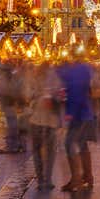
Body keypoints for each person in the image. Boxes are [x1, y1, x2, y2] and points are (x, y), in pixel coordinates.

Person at [59, 53, 95, 192]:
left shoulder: (74, 73)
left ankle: (76, 179)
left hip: (78, 116)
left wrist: (70, 113)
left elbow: (76, 94)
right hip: (85, 114)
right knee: (82, 144)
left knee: (69, 144)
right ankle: (88, 176)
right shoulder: (82, 70)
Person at [29, 62, 62, 191]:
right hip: (50, 122)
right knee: (50, 152)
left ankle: (40, 180)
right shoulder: (55, 79)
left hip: (36, 120)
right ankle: (48, 180)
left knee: (37, 151)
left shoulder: (34, 79)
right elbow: (61, 97)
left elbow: (27, 95)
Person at [0, 59, 22, 154]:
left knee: (12, 124)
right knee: (12, 123)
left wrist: (2, 96)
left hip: (8, 102)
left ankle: (12, 146)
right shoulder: (11, 75)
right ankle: (17, 145)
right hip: (9, 102)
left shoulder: (6, 76)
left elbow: (6, 89)